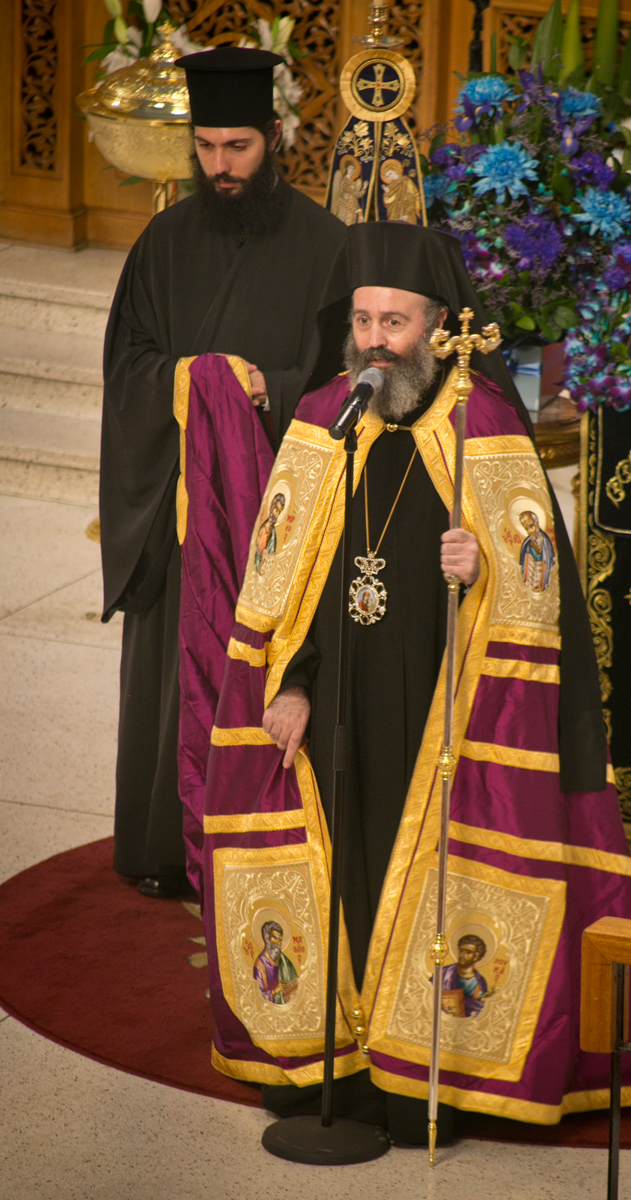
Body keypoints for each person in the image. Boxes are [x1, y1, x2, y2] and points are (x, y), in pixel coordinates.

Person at [194, 222, 631, 1144]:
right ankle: (340, 1055)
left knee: (429, 878)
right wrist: (289, 681)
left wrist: (478, 565)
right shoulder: (326, 417)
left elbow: (541, 590)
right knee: (349, 866)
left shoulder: (483, 421)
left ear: (439, 323)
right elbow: (284, 576)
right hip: (338, 703)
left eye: (396, 323)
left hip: (447, 710)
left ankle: (422, 1074)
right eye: (364, 320)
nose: (375, 341)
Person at [99, 46, 347, 898]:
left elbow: (341, 378)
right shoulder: (164, 241)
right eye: (206, 147)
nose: (219, 165)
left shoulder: (326, 246)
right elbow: (128, 361)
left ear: (274, 137)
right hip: (182, 508)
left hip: (275, 507)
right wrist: (191, 383)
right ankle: (166, 847)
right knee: (173, 666)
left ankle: (272, 839)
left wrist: (264, 389)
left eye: (236, 146)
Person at [441, 935, 490, 1018]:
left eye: (468, 952)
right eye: (461, 951)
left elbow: (479, 1009)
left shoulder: (480, 982)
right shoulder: (444, 973)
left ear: (476, 956)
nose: (462, 955)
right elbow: (430, 995)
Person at [253, 922, 299, 1005]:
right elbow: (257, 997)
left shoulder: (285, 961)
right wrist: (276, 990)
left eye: (280, 939)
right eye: (275, 938)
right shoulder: (260, 966)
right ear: (266, 938)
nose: (278, 943)